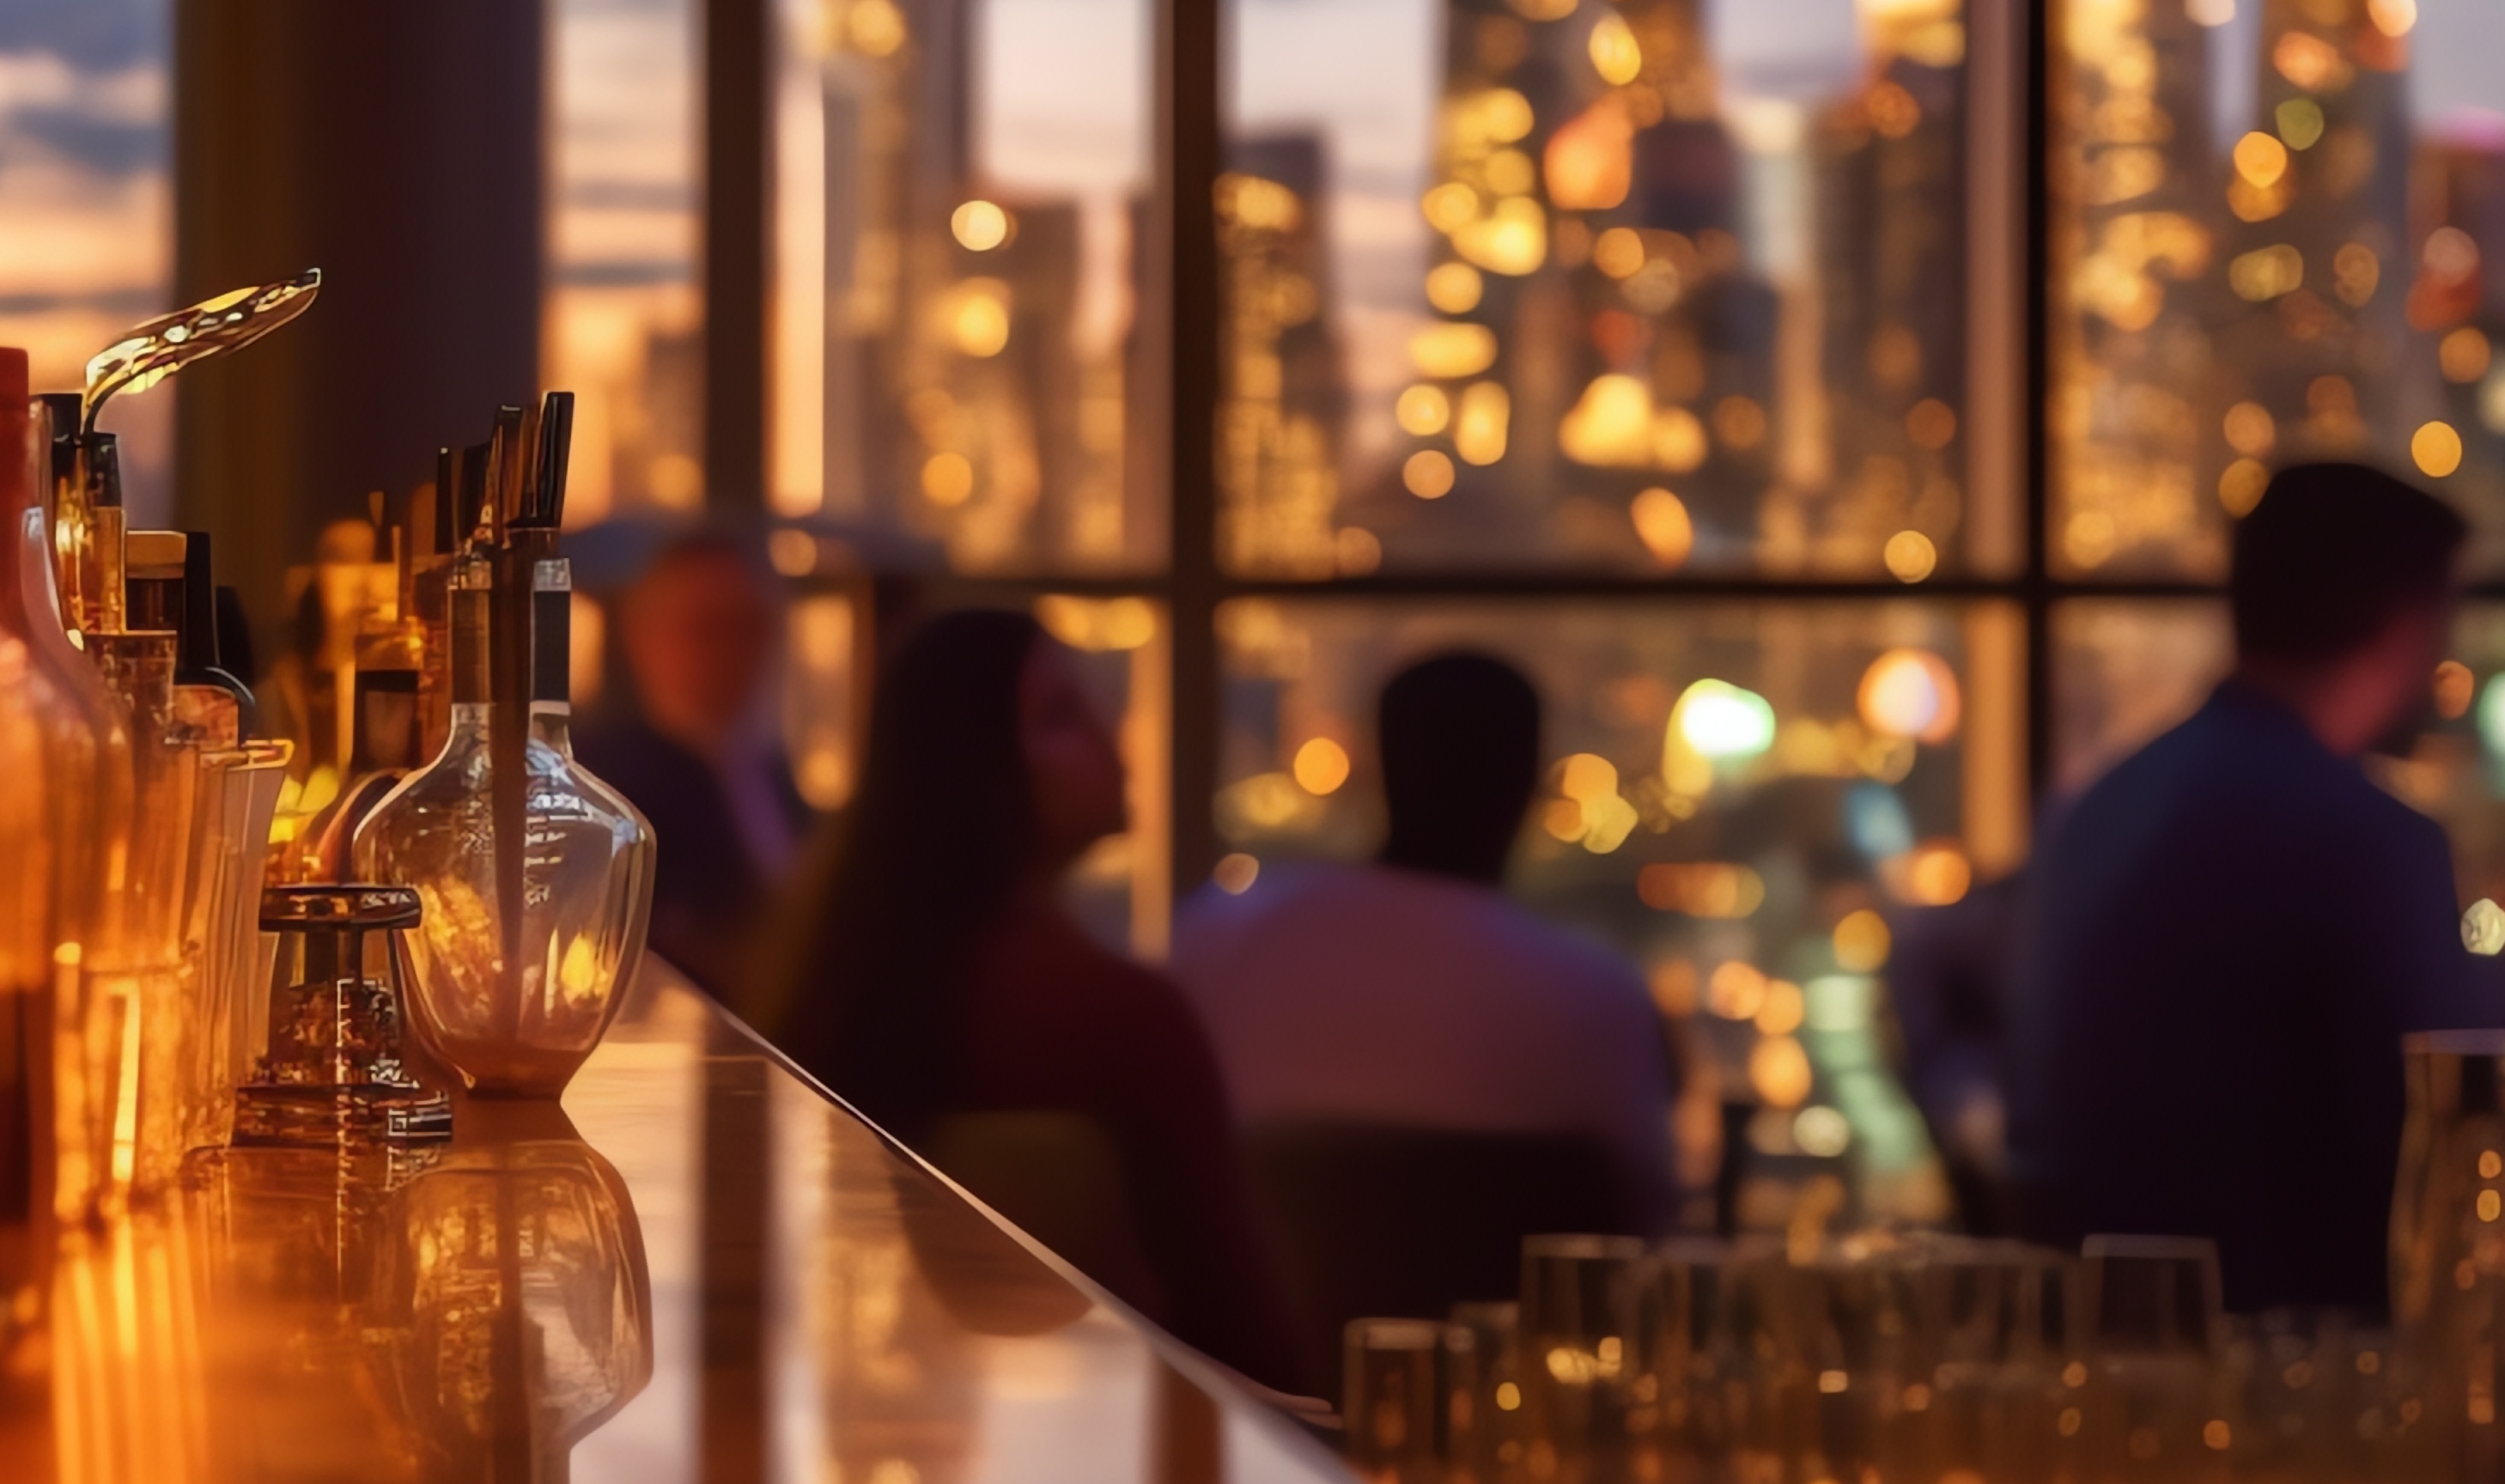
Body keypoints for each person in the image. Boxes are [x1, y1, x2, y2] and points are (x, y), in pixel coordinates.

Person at [2010, 460, 2505, 1312]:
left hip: (2109, 1339)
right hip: (2296, 1361)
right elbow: (2443, 1146)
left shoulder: (2104, 804)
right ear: (2406, 624)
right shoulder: (2366, 840)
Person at [757, 608, 1288, 1383]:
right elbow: (1236, 1324)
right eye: (1061, 716)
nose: (1112, 743)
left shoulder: (832, 989)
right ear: (975, 765)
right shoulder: (1115, 1015)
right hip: (1126, 1436)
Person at [1171, 649, 1681, 1226]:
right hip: (1506, 1313)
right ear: (1529, 779)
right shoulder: (1594, 995)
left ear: (1379, 765)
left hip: (1244, 1317)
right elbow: (1643, 1220)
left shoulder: (1224, 939)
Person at [577, 526, 815, 990]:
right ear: (643, 634)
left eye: (749, 626)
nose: (732, 652)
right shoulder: (609, 786)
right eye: (706, 629)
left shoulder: (770, 770)